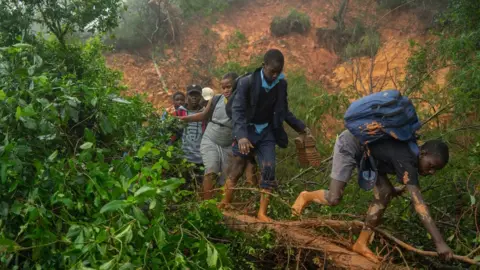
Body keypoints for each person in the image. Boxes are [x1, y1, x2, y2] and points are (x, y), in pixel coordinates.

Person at [291, 130, 454, 262]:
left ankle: (361, 243)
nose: (430, 171)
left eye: (435, 170)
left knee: (385, 192)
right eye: (431, 165)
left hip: (369, 156)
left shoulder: (412, 155)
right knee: (334, 198)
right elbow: (420, 205)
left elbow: (387, 155)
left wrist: (391, 189)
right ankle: (305, 196)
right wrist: (440, 243)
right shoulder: (408, 157)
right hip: (350, 144)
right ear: (423, 152)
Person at [220, 49, 310, 222]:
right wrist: (242, 137)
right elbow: (238, 110)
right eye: (272, 71)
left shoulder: (281, 84)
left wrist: (301, 128)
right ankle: (225, 203)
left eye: (278, 72)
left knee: (269, 169)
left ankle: (262, 213)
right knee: (237, 168)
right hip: (247, 130)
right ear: (264, 66)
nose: (274, 75)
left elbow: (283, 111)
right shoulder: (247, 82)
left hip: (266, 132)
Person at [179, 73, 259, 200]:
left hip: (228, 145)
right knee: (211, 170)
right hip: (211, 140)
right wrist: (183, 118)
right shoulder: (216, 99)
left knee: (225, 178)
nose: (226, 90)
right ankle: (206, 206)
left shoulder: (244, 102)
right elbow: (203, 115)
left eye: (229, 87)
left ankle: (220, 206)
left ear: (237, 86)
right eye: (223, 87)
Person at [178, 85, 204, 185]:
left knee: (199, 184)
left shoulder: (205, 112)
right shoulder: (180, 112)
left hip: (200, 156)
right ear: (187, 96)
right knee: (184, 184)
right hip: (184, 156)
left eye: (197, 95)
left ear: (201, 97)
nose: (194, 98)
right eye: (191, 95)